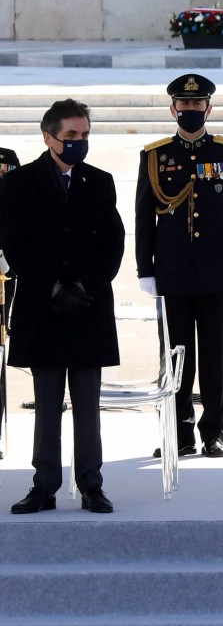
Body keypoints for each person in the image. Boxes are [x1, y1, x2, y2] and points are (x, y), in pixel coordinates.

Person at [0, 100, 123, 514]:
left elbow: (113, 242)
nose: (78, 143)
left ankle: (91, 485)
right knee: (47, 403)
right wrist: (52, 288)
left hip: (88, 306)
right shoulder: (18, 184)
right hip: (43, 308)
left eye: (84, 135)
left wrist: (85, 287)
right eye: (71, 136)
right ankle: (44, 486)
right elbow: (15, 245)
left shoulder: (100, 182)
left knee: (88, 404)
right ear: (48, 136)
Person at [134, 73, 223, 459]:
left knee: (215, 355)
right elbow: (144, 218)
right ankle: (179, 434)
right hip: (172, 273)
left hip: (217, 272)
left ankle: (213, 433)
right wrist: (145, 268)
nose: (190, 110)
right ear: (172, 108)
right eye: (183, 104)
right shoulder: (154, 156)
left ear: (209, 107)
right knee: (175, 357)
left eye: (197, 104)